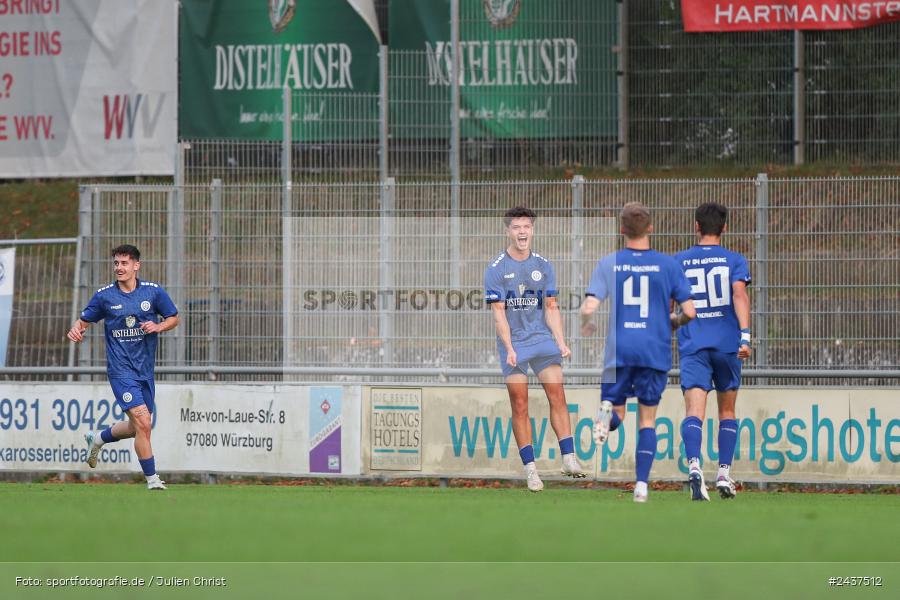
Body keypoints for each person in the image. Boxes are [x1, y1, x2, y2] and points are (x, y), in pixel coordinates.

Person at [580, 203, 695, 502]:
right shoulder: (668, 265)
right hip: (653, 350)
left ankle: (607, 418)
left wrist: (587, 323)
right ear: (651, 228)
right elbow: (691, 312)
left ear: (621, 230)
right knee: (647, 419)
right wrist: (675, 322)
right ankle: (641, 485)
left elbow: (589, 306)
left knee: (617, 409)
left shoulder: (609, 263)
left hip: (619, 352)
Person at [484, 206, 584, 492]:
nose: (522, 232)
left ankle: (569, 458)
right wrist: (509, 348)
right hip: (513, 343)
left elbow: (552, 307)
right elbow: (499, 313)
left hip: (541, 339)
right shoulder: (496, 269)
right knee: (520, 404)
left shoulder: (543, 265)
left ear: (533, 230)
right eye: (516, 227)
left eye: (526, 226)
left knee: (558, 395)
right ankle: (531, 470)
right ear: (508, 231)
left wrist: (561, 341)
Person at [66, 245, 179, 490]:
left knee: (137, 426)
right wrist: (77, 329)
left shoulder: (153, 292)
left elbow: (173, 317)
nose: (119, 267)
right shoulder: (105, 296)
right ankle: (152, 480)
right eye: (116, 263)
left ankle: (97, 439)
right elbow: (83, 321)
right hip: (120, 372)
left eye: (124, 263)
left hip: (145, 371)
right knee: (143, 423)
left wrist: (159, 327)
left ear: (136, 265)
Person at [674, 203, 752, 500]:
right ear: (724, 228)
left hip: (694, 345)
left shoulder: (679, 261)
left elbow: (671, 307)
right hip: (727, 345)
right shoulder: (735, 260)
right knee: (727, 411)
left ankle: (694, 468)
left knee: (694, 411)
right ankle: (723, 474)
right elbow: (739, 294)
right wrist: (744, 337)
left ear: (696, 227)